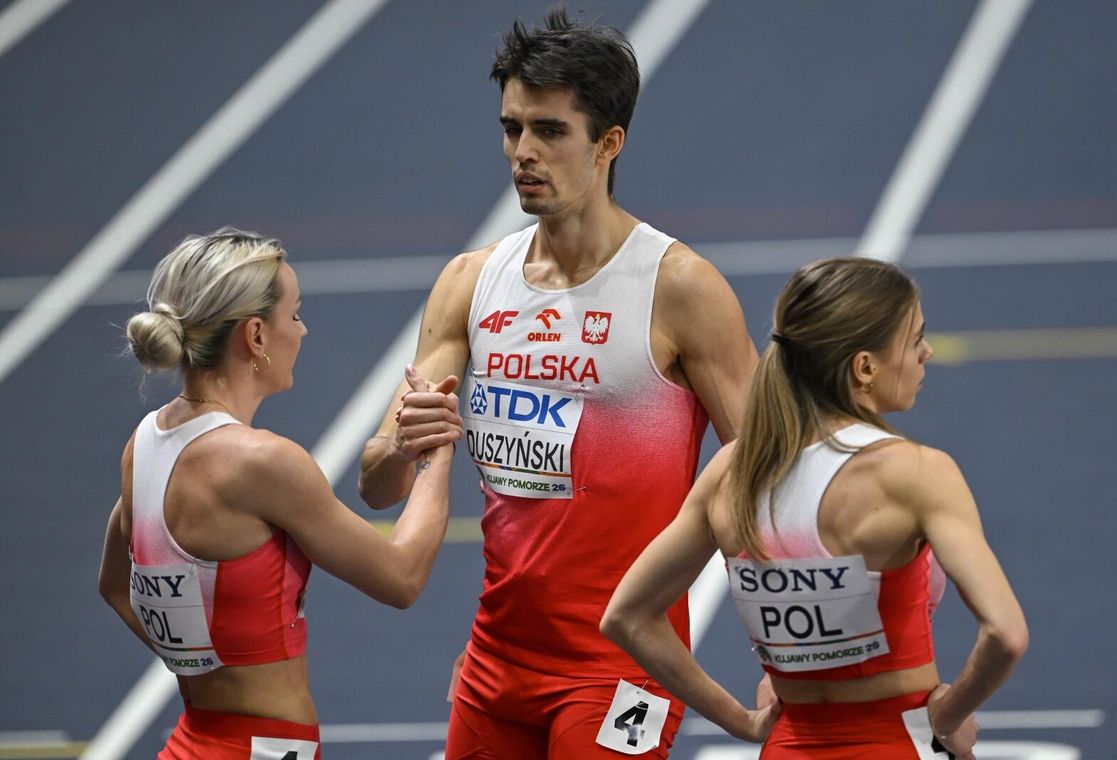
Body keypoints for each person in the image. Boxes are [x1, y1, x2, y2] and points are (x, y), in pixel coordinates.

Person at [358, 7, 757, 758]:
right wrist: (401, 447)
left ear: (609, 143)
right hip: (497, 661)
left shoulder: (679, 288)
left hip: (623, 663)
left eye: (549, 131)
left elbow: (773, 476)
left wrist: (798, 666)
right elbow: (377, 486)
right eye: (512, 129)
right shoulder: (471, 283)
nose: (523, 153)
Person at [602, 257, 1029, 759]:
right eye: (915, 339)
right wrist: (948, 717)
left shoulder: (732, 472)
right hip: (898, 742)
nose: (926, 352)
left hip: (788, 746)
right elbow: (1006, 634)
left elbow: (627, 617)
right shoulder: (916, 473)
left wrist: (741, 721)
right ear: (864, 367)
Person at [98, 228, 456, 759]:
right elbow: (401, 577)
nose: (303, 330)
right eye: (295, 314)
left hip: (191, 743)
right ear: (256, 336)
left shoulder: (144, 442)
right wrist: (437, 450)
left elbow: (115, 585)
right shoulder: (261, 461)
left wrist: (204, 665)